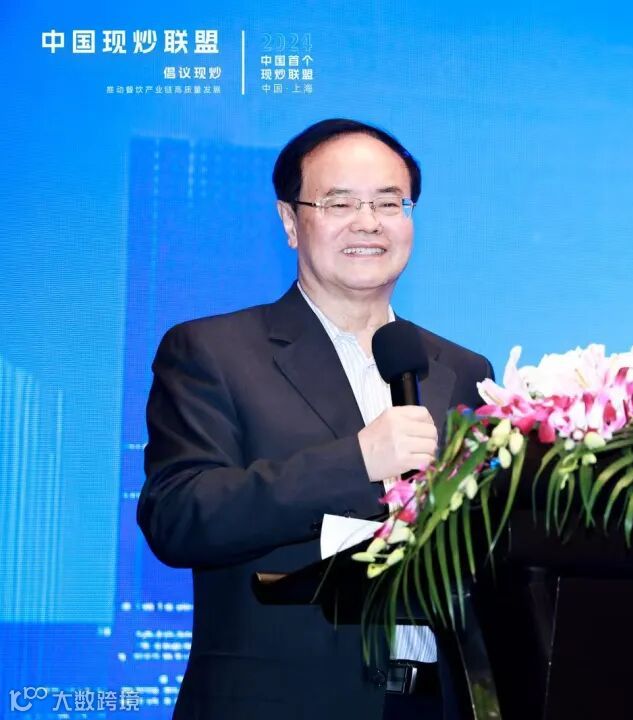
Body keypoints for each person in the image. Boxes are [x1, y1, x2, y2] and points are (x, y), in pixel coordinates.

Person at [138, 118, 492, 719]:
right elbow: (179, 515)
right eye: (340, 203)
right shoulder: (214, 351)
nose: (368, 222)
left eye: (389, 203)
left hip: (433, 705)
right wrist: (357, 461)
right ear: (289, 220)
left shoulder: (460, 369)